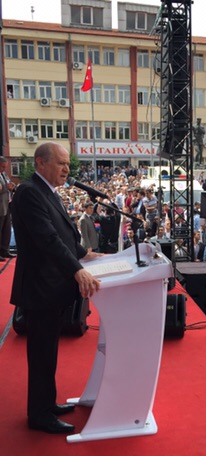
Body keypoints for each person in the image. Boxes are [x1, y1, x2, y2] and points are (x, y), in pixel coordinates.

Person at [11, 142, 105, 434]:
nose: (67, 169)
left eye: (68, 164)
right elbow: (47, 239)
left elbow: (64, 235)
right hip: (40, 288)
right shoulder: (29, 193)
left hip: (52, 287)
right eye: (61, 163)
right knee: (41, 354)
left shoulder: (47, 192)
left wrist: (85, 254)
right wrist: (77, 270)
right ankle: (39, 414)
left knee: (49, 350)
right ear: (41, 163)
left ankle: (47, 403)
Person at [0, 155, 14, 258]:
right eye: (2, 167)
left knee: (7, 229)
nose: (4, 169)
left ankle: (5, 250)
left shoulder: (4, 174)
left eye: (5, 167)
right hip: (0, 206)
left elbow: (8, 184)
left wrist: (11, 186)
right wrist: (6, 187)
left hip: (7, 204)